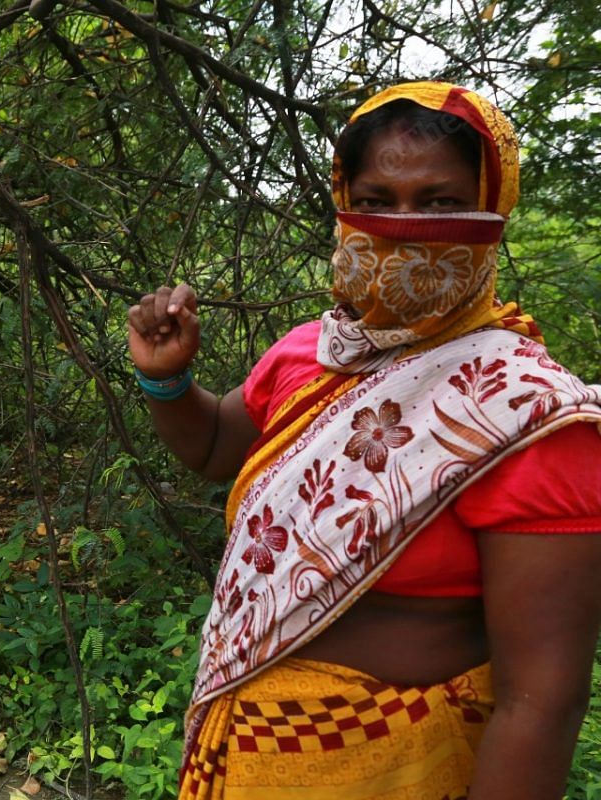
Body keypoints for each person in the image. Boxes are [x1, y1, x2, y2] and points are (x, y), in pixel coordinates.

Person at [128, 81, 601, 800]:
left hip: (401, 765)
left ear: (492, 209)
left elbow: (540, 702)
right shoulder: (311, 353)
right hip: (251, 749)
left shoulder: (529, 418)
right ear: (344, 201)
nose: (403, 225)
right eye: (377, 199)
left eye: (440, 203)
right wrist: (168, 382)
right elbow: (215, 448)